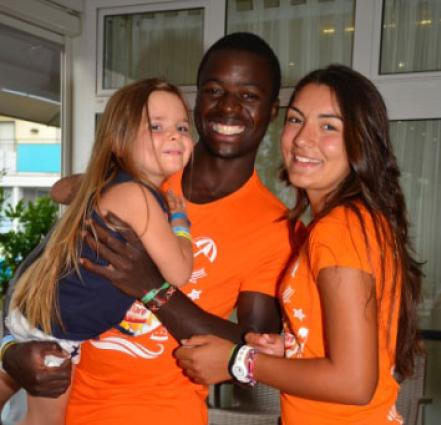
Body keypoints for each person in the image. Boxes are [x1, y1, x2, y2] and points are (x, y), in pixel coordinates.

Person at [1, 33, 293, 425]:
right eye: (214, 90)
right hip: (68, 395)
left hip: (161, 413)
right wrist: (7, 349)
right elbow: (41, 270)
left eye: (249, 96)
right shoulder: (145, 173)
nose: (227, 107)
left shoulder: (273, 226)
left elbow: (251, 355)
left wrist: (149, 286)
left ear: (272, 110)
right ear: (197, 102)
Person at [175, 65, 423, 424]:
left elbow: (354, 382)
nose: (303, 139)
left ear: (361, 140)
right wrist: (292, 351)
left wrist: (238, 361)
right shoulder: (356, 221)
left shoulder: (340, 230)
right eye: (295, 120)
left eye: (328, 126)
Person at [0, 78, 194, 424]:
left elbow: (60, 191)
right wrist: (181, 223)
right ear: (119, 140)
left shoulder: (115, 184)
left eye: (182, 126)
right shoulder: (138, 197)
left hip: (42, 315)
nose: (176, 136)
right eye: (156, 126)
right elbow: (178, 273)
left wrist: (93, 179)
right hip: (52, 331)